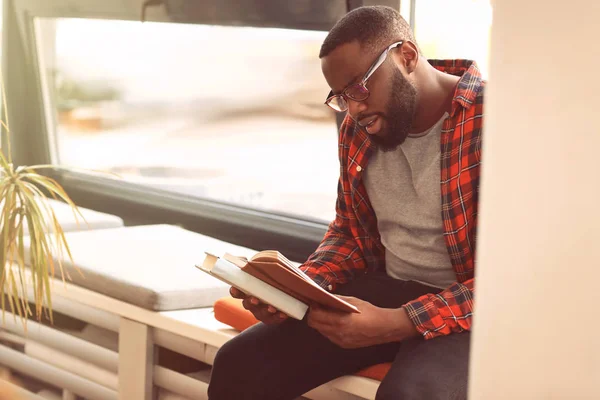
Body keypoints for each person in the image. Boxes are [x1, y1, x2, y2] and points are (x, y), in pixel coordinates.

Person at [208, 5, 483, 400]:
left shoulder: (497, 122)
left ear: (406, 56)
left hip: (471, 312)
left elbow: (512, 282)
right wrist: (300, 289)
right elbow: (350, 233)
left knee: (409, 394)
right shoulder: (361, 127)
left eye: (358, 88)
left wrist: (398, 322)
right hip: (389, 290)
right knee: (239, 365)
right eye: (341, 98)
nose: (352, 109)